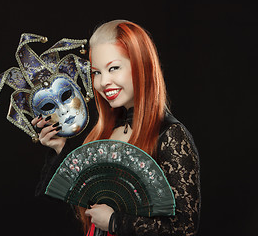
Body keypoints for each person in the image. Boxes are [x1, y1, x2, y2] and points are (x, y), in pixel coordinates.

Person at [33, 20, 201, 235]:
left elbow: (185, 228)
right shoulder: (105, 133)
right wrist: (60, 148)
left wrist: (115, 221)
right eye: (96, 72)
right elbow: (78, 205)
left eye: (113, 68)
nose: (103, 82)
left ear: (141, 66)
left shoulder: (171, 136)